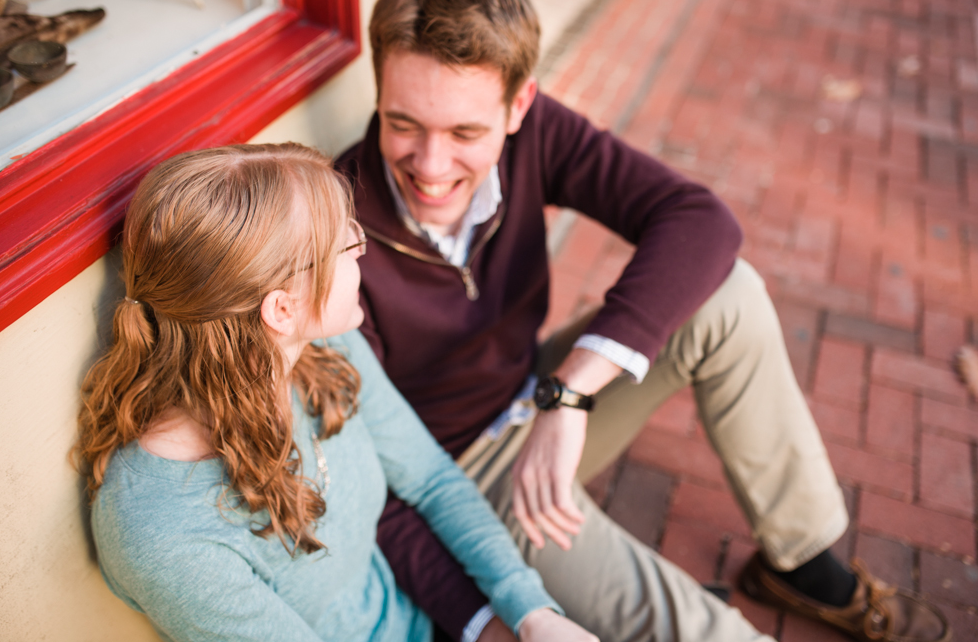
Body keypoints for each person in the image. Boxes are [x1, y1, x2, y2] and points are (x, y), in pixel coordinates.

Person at [336, 0, 952, 642]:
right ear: (379, 94)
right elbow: (372, 487)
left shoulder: (537, 134)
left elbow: (699, 220)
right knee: (699, 629)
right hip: (457, 479)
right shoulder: (332, 232)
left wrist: (567, 393)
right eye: (402, 123)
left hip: (535, 392)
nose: (430, 165)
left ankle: (803, 567)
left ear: (519, 107)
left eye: (464, 131)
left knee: (731, 294)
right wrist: (484, 621)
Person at [74, 143, 598, 642]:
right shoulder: (159, 532)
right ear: (282, 309)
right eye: (346, 245)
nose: (361, 254)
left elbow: (433, 482)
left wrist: (529, 611)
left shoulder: (325, 349)